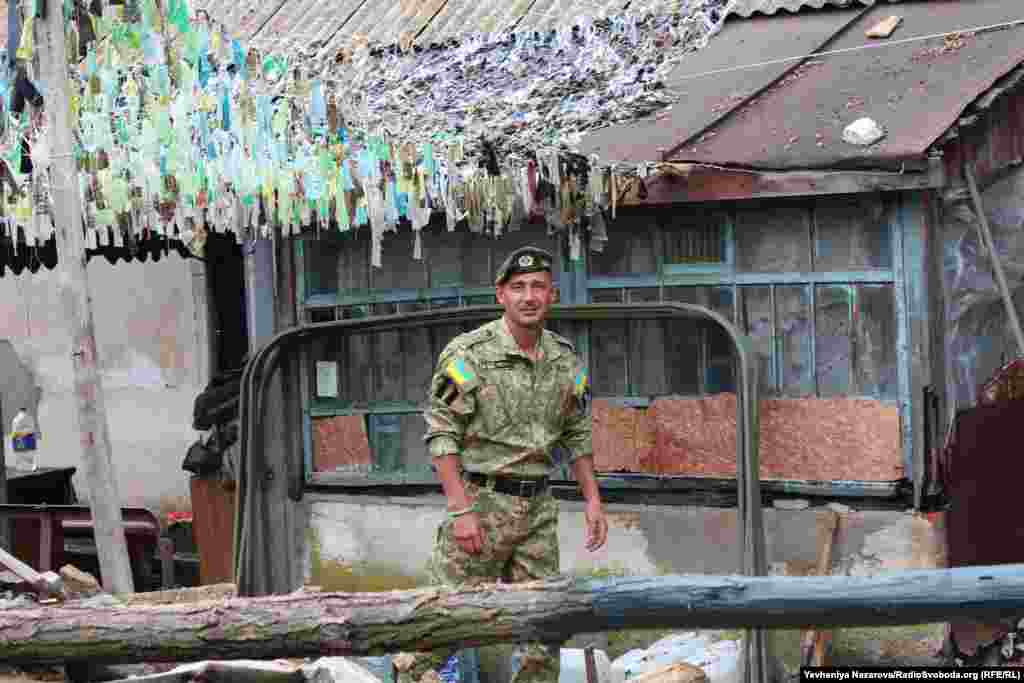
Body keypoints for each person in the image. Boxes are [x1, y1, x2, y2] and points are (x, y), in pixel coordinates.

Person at [398, 246, 609, 683]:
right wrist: (460, 509)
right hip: (481, 504)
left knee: (542, 635)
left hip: (538, 512)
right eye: (518, 287)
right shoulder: (468, 355)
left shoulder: (566, 360)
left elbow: (576, 432)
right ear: (501, 295)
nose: (528, 296)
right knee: (441, 624)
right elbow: (441, 432)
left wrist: (593, 500)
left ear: (552, 295)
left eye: (538, 287)